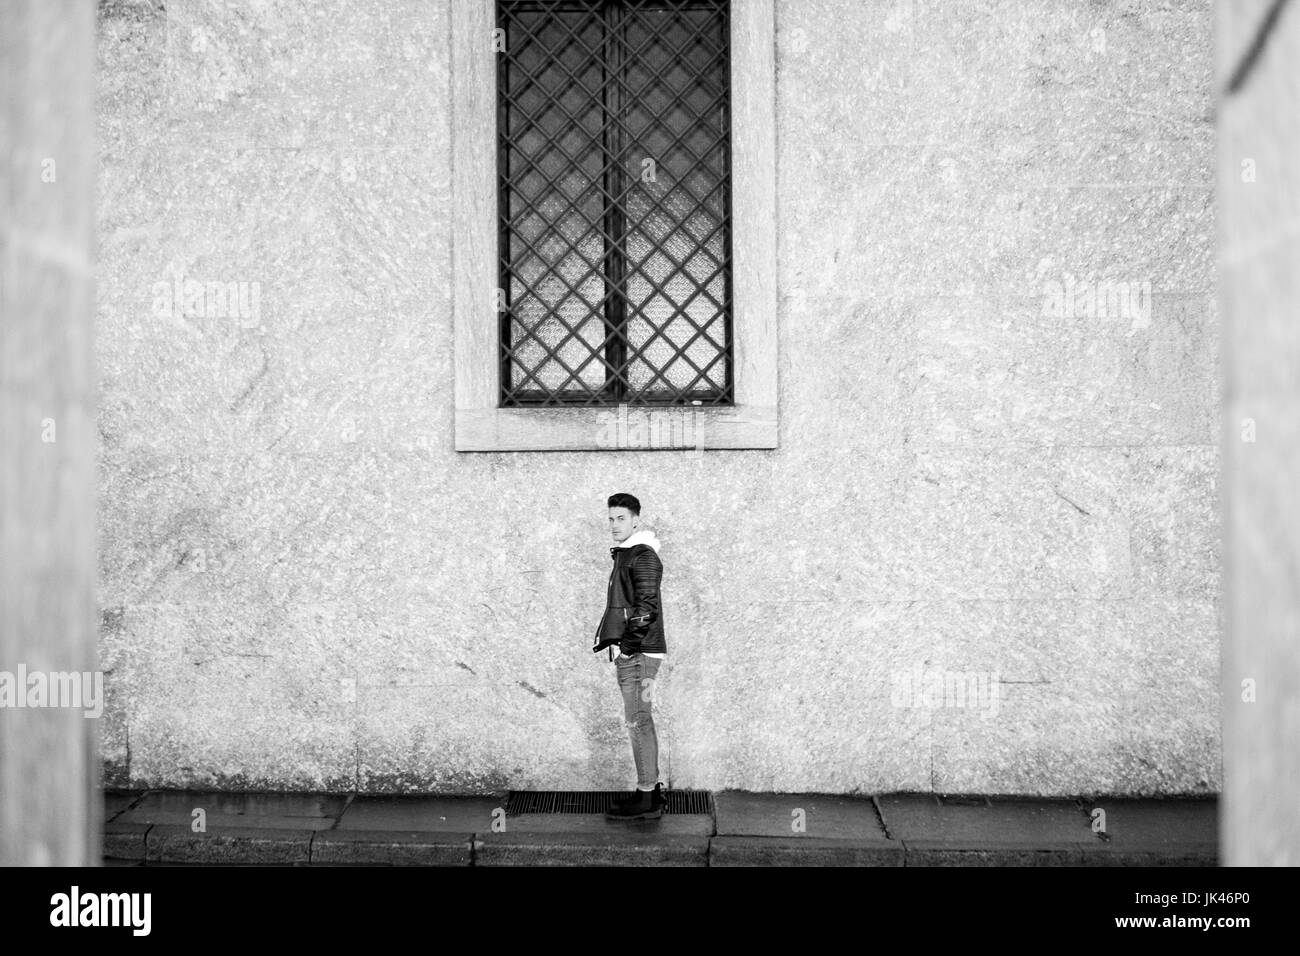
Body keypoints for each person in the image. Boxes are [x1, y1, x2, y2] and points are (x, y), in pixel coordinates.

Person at [593, 492, 668, 821]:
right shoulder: (626, 554)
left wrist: (626, 646)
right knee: (639, 721)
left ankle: (647, 798)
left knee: (639, 721)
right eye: (610, 518)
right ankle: (647, 794)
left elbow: (646, 609)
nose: (613, 524)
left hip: (640, 654)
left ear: (636, 520)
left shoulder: (643, 555)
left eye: (620, 518)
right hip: (635, 652)